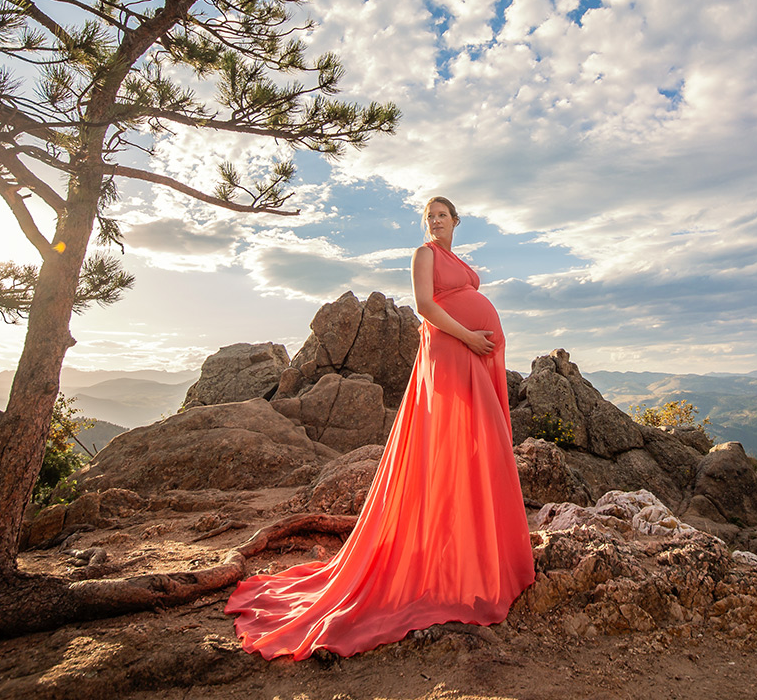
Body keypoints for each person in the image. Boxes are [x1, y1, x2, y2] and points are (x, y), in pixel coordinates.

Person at [224, 196, 536, 659]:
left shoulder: (457, 259)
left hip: (472, 354)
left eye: (442, 215)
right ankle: (456, 561)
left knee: (477, 446)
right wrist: (470, 336)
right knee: (452, 442)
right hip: (453, 351)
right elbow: (426, 306)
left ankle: (477, 553)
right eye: (429, 216)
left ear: (456, 221)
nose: (434, 221)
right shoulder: (424, 254)